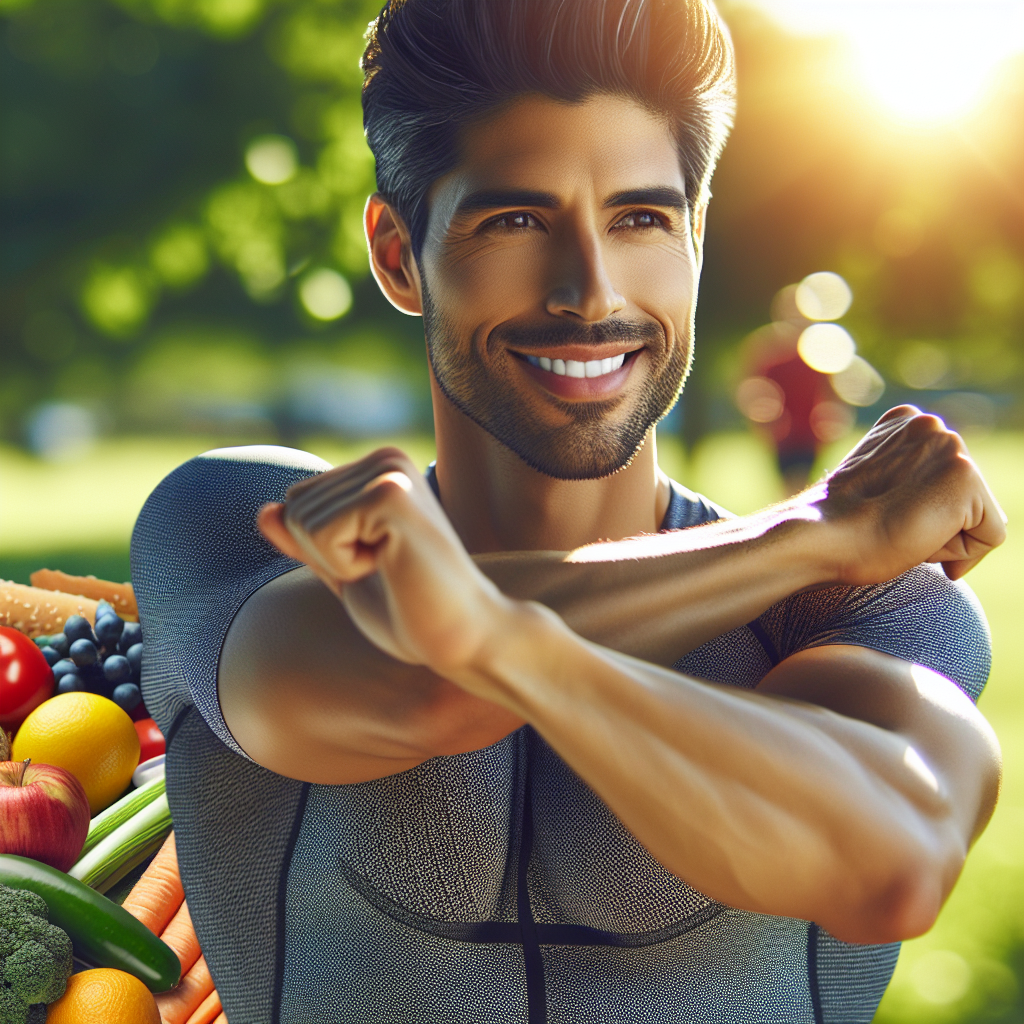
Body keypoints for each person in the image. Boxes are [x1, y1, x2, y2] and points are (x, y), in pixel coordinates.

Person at [131, 2, 1005, 1022]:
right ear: (398, 254)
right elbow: (379, 692)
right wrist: (799, 536)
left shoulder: (856, 604)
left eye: (641, 219)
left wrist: (504, 640)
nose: (590, 294)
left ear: (696, 236)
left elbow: (888, 863)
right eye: (515, 221)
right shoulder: (236, 520)